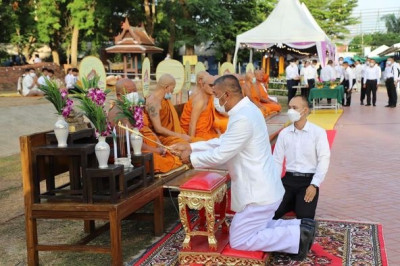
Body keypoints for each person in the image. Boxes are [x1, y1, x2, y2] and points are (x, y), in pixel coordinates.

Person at [171, 75, 316, 261]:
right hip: (264, 187)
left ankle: (298, 236)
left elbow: (222, 154)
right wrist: (191, 147)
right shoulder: (245, 110)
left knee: (239, 239)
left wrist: (192, 159)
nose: (214, 100)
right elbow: (224, 141)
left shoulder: (243, 118)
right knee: (256, 227)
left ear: (226, 94)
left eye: (216, 95)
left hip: (259, 192)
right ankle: (302, 226)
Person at [108, 78, 183, 173]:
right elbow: (133, 142)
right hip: (132, 152)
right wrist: (157, 151)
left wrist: (160, 145)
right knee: (165, 160)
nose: (133, 94)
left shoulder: (134, 108)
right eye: (129, 92)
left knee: (174, 154)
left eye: (135, 91)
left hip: (150, 147)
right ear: (119, 96)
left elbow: (147, 129)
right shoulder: (118, 113)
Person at [273, 95, 330, 220]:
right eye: (289, 108)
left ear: (305, 110)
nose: (290, 111)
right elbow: (277, 160)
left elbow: (324, 159)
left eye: (294, 107)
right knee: (271, 213)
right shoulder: (284, 134)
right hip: (288, 181)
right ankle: (291, 201)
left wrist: (314, 184)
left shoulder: (318, 133)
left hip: (308, 182)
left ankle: (296, 202)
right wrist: (275, 184)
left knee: (304, 218)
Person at [145, 74, 194, 146]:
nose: (172, 91)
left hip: (172, 134)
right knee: (187, 146)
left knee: (196, 141)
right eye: (172, 88)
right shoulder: (153, 102)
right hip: (161, 138)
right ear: (167, 87)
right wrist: (180, 136)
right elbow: (158, 129)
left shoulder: (164, 100)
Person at [180, 72, 219, 140]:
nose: (213, 88)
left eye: (215, 85)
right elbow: (192, 124)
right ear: (203, 85)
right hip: (197, 133)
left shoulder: (209, 97)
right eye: (211, 85)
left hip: (205, 130)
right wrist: (192, 142)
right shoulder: (200, 101)